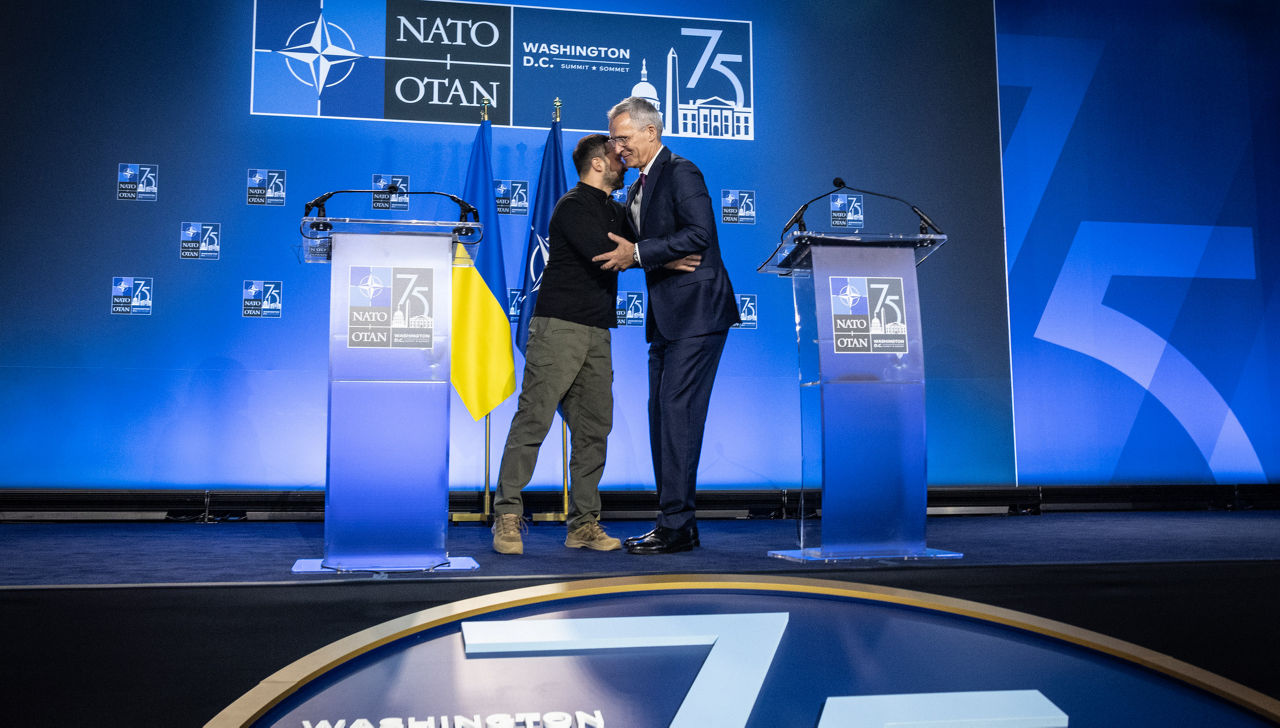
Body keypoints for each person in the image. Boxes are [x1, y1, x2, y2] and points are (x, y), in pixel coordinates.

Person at [490, 134, 699, 555]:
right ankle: (507, 516)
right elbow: (607, 254)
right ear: (598, 165)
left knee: (593, 431)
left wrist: (664, 245)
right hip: (558, 328)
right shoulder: (572, 205)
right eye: (616, 157)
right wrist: (665, 258)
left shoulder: (616, 209)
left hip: (597, 333)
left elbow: (641, 241)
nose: (623, 161)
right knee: (534, 420)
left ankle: (583, 524)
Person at [593, 97, 740, 555]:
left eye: (623, 137)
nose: (618, 147)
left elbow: (700, 234)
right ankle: (676, 522)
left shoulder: (681, 171)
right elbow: (664, 246)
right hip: (668, 316)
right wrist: (655, 254)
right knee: (664, 415)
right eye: (614, 140)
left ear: (651, 132)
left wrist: (641, 254)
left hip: (698, 312)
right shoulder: (638, 186)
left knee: (676, 413)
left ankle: (676, 524)